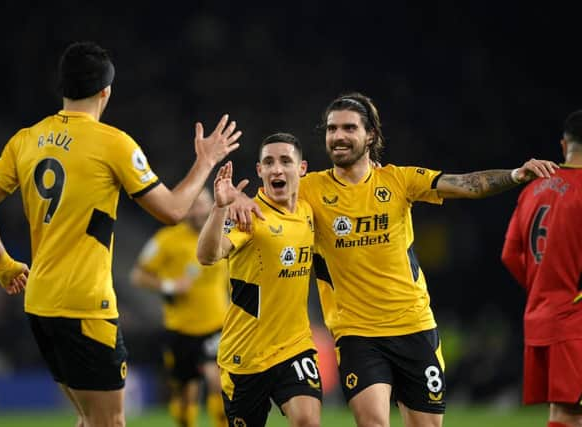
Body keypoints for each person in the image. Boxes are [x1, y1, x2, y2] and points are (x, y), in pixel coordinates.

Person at [230, 93, 558, 427]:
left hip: (413, 324)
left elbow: (465, 185)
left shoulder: (399, 181)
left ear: (370, 135)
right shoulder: (311, 188)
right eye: (331, 129)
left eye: (348, 128)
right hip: (356, 332)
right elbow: (270, 191)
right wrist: (237, 200)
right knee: (373, 422)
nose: (338, 136)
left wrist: (516, 174)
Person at [0, 41, 241, 427]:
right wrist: (206, 161)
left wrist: (2, 263)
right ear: (106, 92)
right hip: (86, 308)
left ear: (62, 87)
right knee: (110, 423)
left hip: (40, 306)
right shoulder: (113, 143)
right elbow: (174, 210)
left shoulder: (26, 139)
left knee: (88, 419)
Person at [197, 133, 322, 427]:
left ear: (301, 168)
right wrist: (219, 208)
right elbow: (207, 256)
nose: (277, 169)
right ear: (259, 171)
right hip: (246, 355)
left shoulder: (309, 210)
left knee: (308, 421)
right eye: (269, 162)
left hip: (295, 346)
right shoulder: (248, 216)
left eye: (285, 161)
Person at [501, 111, 582, 427]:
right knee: (569, 415)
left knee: (561, 413)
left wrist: (542, 287)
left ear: (564, 146)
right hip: (574, 322)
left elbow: (510, 255)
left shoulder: (532, 190)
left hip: (541, 318)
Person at [130, 188, 229, 427]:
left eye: (204, 204)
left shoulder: (223, 235)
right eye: (193, 205)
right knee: (186, 399)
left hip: (218, 324)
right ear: (185, 209)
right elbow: (138, 275)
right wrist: (170, 286)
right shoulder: (166, 239)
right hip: (181, 329)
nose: (199, 210)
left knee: (219, 383)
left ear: (211, 206)